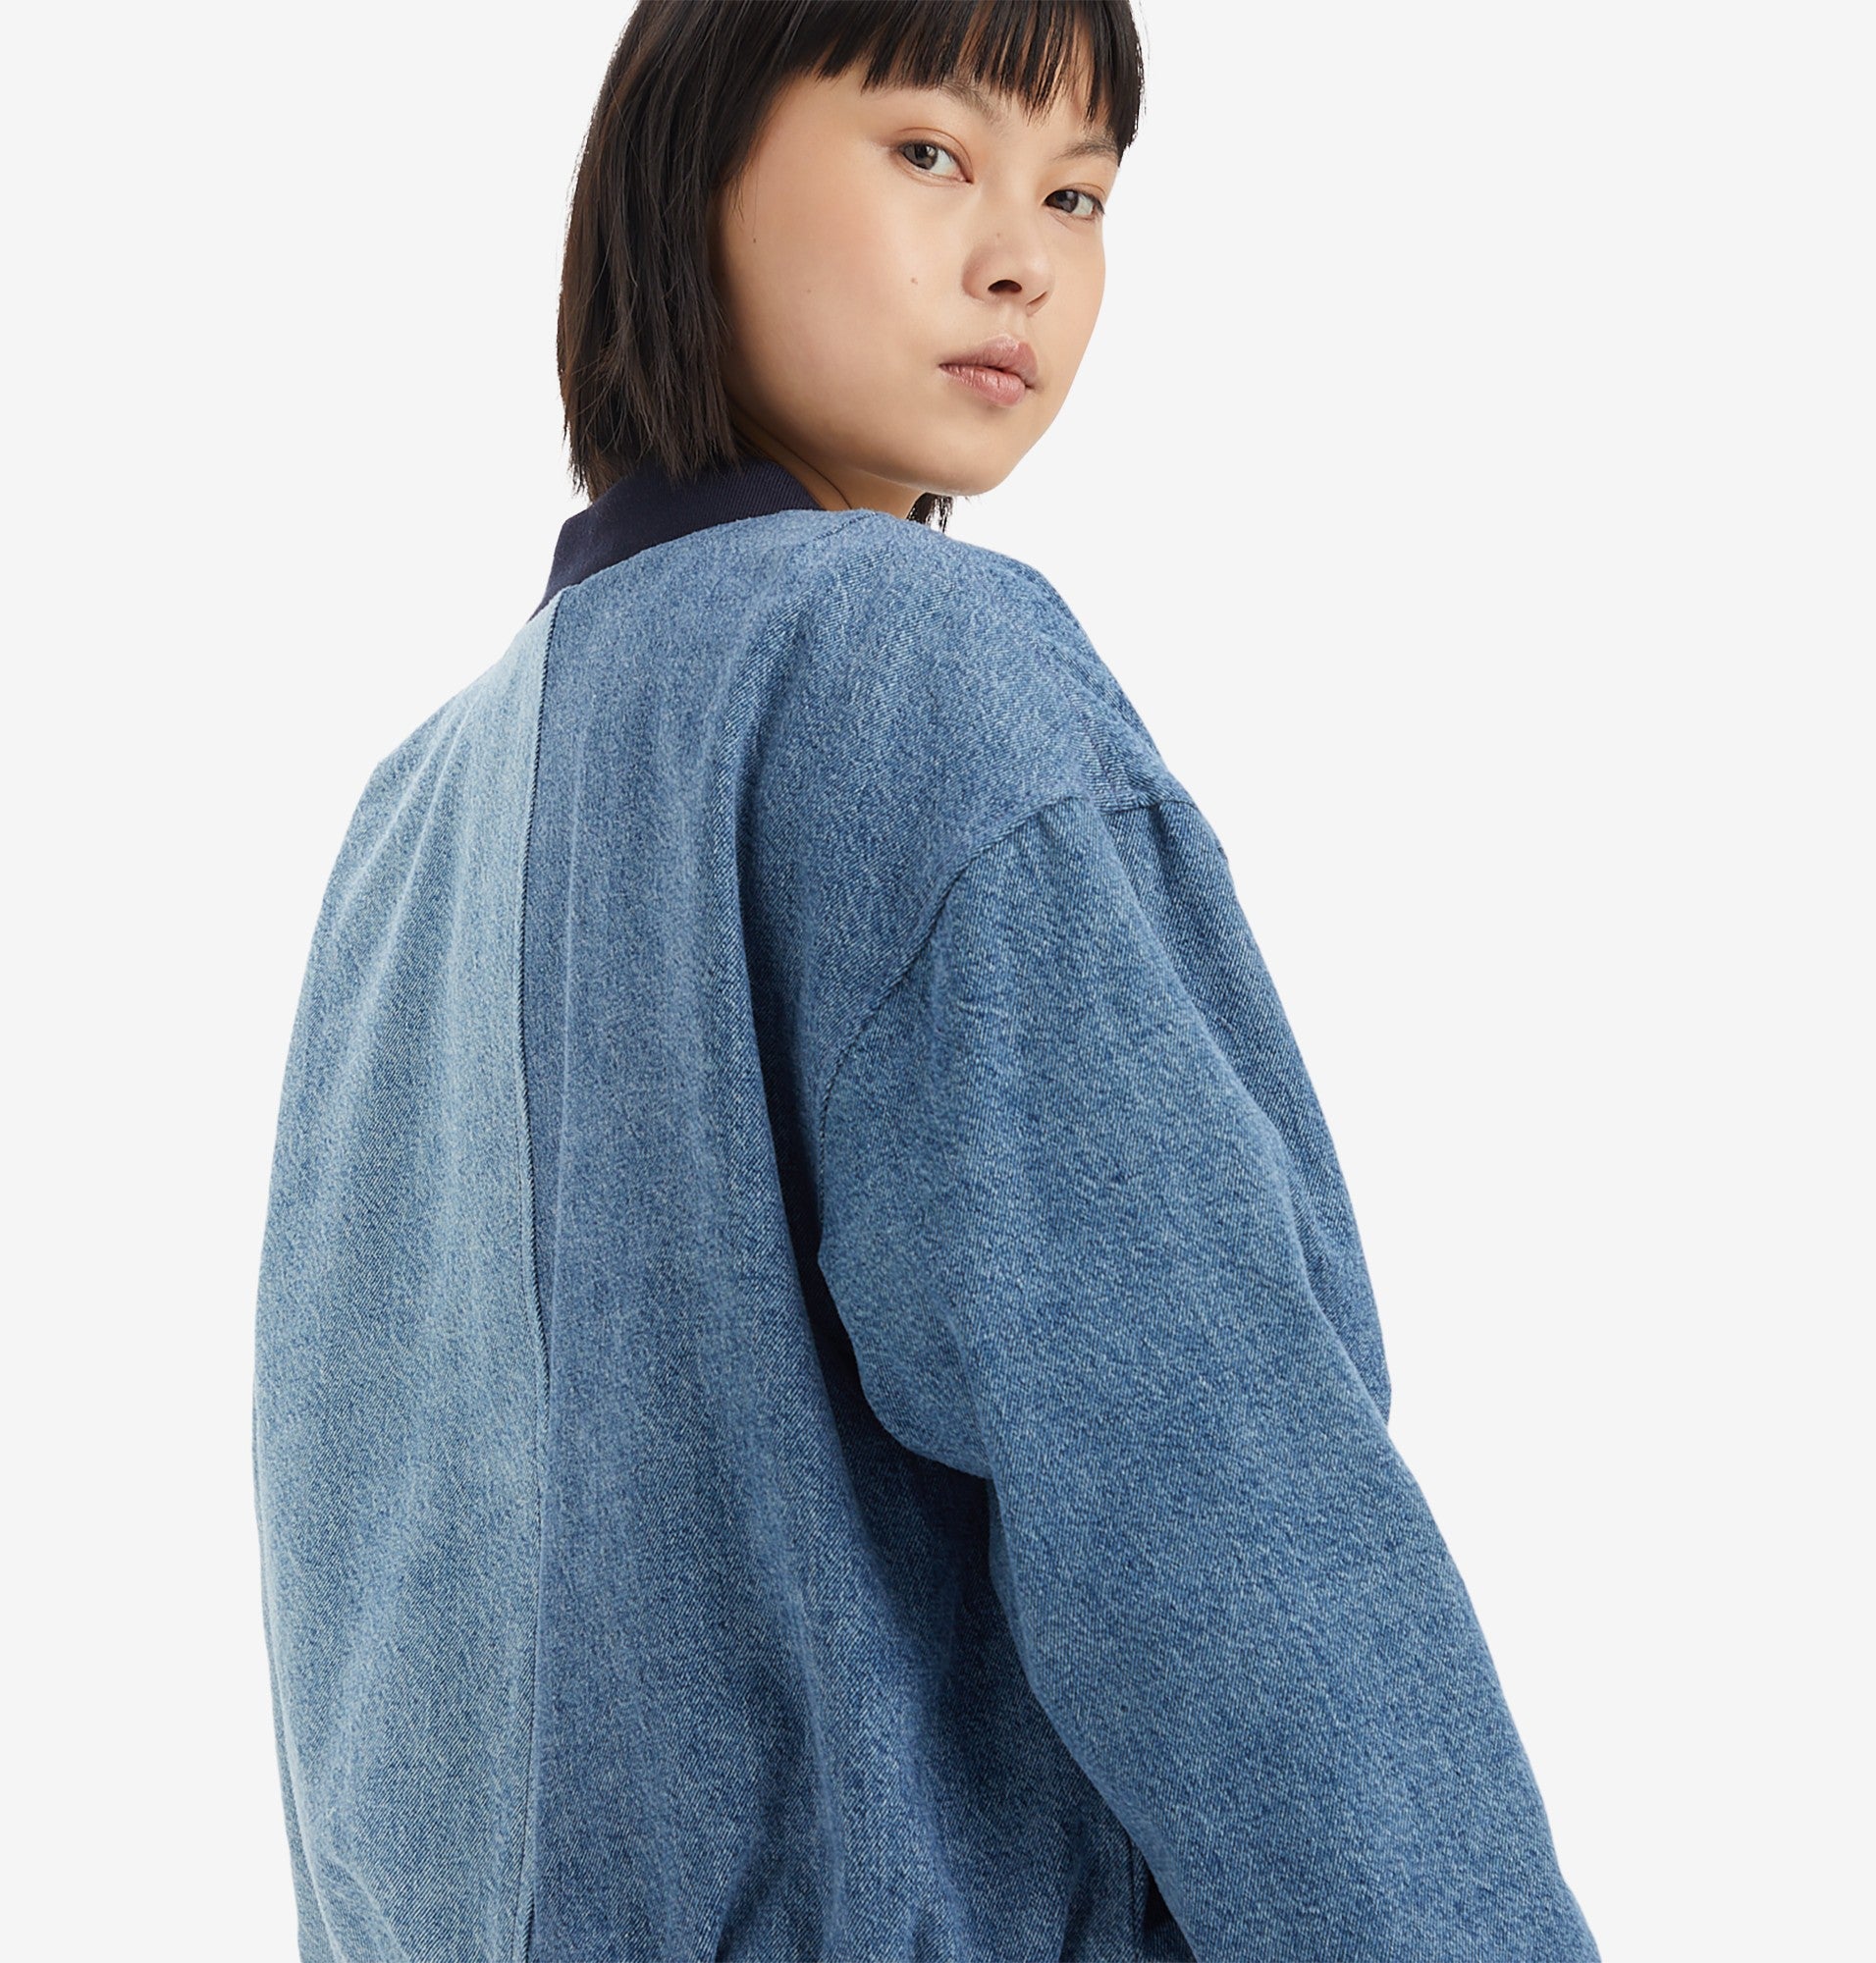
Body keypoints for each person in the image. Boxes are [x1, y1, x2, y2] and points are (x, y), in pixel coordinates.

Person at [251, 4, 1603, 1960]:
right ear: (688, 168)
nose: (1021, 258)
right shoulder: (912, 671)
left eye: (1079, 194)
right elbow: (1210, 1504)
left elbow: (361, 1627)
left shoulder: (419, 813)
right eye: (931, 153)